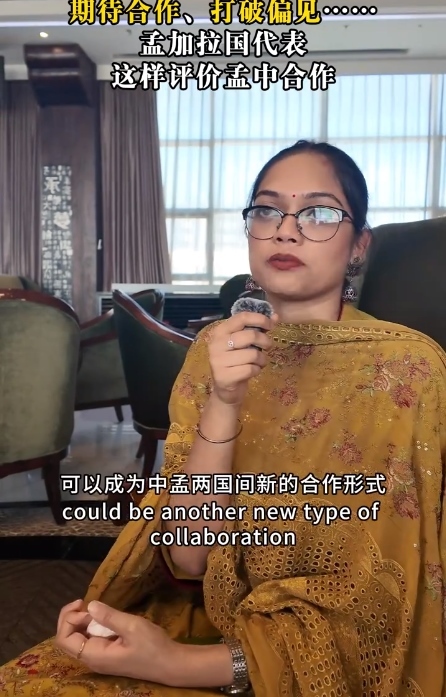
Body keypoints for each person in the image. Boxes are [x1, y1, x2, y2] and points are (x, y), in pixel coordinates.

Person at [1, 140, 445, 697]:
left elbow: (388, 607)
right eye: (267, 210)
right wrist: (225, 399)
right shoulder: (213, 349)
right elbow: (189, 560)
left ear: (358, 245)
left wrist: (179, 665)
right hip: (211, 614)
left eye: (319, 213)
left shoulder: (407, 370)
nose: (286, 231)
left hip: (322, 661)